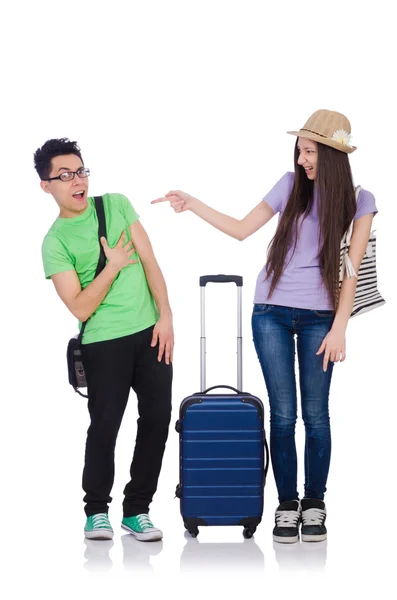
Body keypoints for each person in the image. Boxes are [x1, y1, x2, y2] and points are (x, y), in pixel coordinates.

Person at [152, 109, 377, 543]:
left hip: (321, 318)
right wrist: (193, 203)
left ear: (332, 154)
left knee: (316, 414)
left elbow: (351, 269)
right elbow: (241, 229)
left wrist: (340, 328)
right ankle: (286, 505)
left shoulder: (359, 200)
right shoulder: (290, 185)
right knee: (283, 414)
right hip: (270, 310)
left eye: (311, 151)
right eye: (301, 149)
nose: (303, 158)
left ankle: (315, 503)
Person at [35, 138, 173, 542]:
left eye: (80, 171)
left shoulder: (114, 204)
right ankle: (96, 511)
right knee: (105, 425)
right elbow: (79, 308)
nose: (77, 181)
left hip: (151, 333)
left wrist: (165, 316)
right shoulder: (54, 243)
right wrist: (111, 266)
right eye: (65, 175)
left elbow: (150, 262)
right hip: (102, 343)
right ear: (47, 186)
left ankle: (137, 511)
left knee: (158, 420)